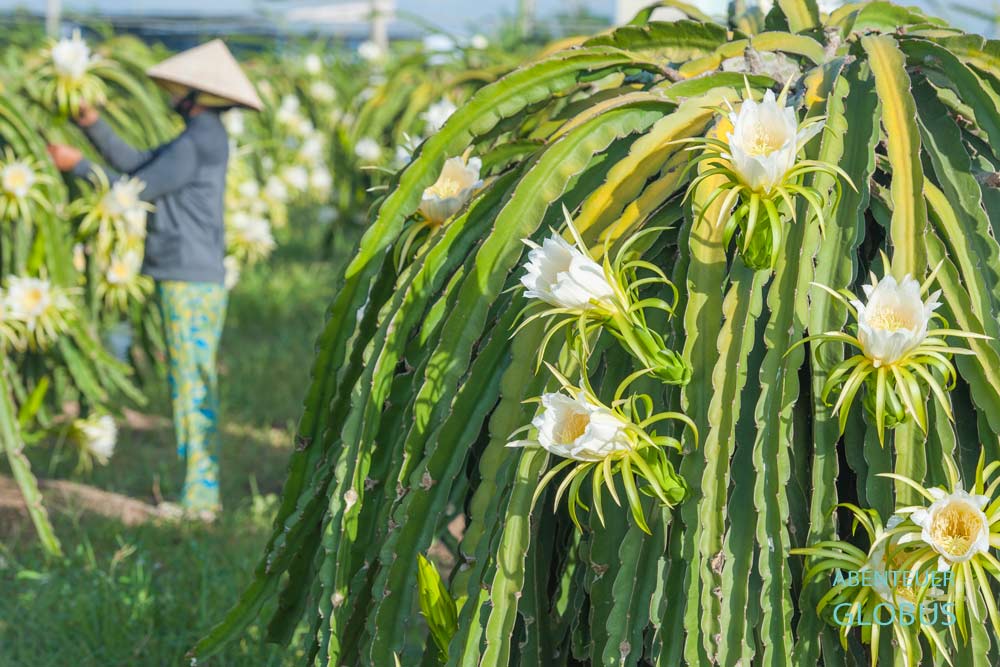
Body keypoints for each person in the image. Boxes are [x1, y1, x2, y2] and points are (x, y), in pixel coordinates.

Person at [48, 40, 263, 520]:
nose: (171, 95)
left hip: (189, 277)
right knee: (191, 379)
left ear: (197, 96)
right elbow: (137, 162)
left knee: (192, 383)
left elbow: (132, 189)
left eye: (179, 89)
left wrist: (77, 166)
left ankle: (201, 501)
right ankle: (199, 493)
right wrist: (91, 125)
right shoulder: (200, 136)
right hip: (189, 274)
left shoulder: (198, 141)